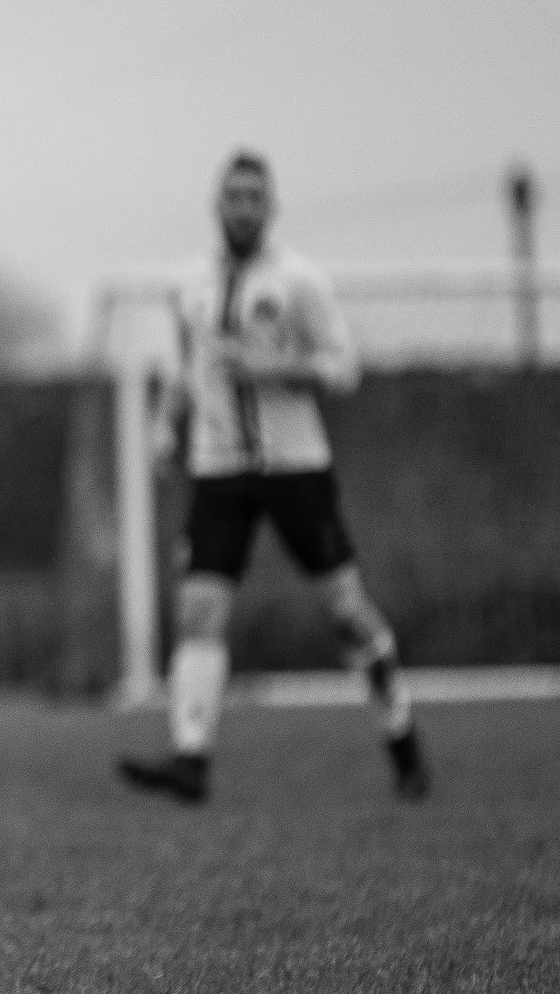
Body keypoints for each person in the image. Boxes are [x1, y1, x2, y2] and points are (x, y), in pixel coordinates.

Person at [119, 150, 430, 806]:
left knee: (346, 611)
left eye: (254, 197)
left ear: (272, 207)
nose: (243, 208)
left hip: (295, 467)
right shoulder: (190, 285)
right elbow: (187, 369)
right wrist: (166, 425)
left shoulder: (299, 282)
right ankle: (191, 758)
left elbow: (343, 367)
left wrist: (276, 366)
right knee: (199, 609)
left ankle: (399, 727)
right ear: (217, 204)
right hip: (219, 469)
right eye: (233, 196)